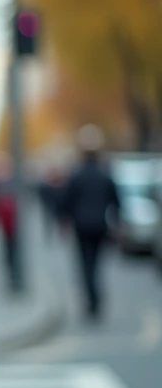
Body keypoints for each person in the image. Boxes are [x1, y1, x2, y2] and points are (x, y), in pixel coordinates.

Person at [59, 125, 120, 320]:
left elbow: (66, 202)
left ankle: (91, 300)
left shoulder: (76, 175)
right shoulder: (105, 174)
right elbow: (116, 201)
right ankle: (95, 298)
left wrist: (64, 221)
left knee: (86, 265)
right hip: (100, 225)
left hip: (82, 226)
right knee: (96, 264)